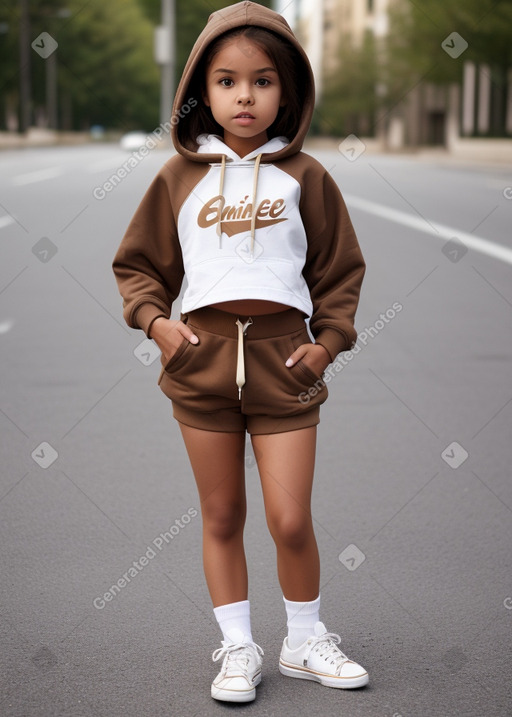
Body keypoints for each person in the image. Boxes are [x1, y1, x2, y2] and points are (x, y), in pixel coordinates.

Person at [112, 0, 368, 703]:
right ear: (203, 91)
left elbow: (340, 272)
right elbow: (138, 265)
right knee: (222, 515)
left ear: (286, 91)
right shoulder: (178, 178)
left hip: (286, 365)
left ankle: (306, 639)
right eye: (226, 81)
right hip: (202, 364)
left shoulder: (308, 177)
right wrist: (158, 324)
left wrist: (328, 345)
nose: (244, 95)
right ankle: (237, 646)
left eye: (261, 80)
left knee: (290, 517)